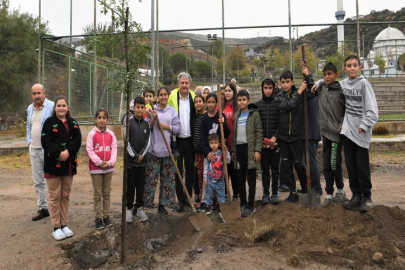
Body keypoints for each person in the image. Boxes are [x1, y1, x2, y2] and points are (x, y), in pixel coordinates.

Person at [340, 55, 378, 212]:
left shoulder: (364, 84)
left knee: (362, 166)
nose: (352, 68)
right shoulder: (343, 85)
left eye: (355, 65)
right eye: (349, 65)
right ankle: (356, 196)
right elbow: (328, 83)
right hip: (348, 132)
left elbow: (372, 110)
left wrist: (364, 125)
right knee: (351, 165)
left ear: (360, 67)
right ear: (345, 69)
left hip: (361, 132)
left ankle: (367, 197)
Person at [41, 96, 81, 241]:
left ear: (67, 107)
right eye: (59, 105)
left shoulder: (73, 123)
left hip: (69, 163)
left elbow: (77, 139)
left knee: (65, 195)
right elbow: (46, 141)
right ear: (55, 108)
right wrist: (59, 153)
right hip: (53, 164)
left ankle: (64, 224)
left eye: (64, 105)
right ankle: (56, 227)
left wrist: (68, 152)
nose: (61, 108)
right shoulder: (49, 123)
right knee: (54, 196)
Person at [310, 62, 347, 208]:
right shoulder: (321, 88)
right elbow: (310, 84)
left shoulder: (342, 90)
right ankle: (329, 193)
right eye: (324, 74)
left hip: (336, 134)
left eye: (329, 74)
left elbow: (348, 107)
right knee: (326, 164)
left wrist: (343, 121)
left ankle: (340, 190)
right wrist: (314, 78)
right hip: (324, 133)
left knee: (334, 163)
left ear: (336, 74)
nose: (326, 77)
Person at [277, 70, 314, 203]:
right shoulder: (279, 96)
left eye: (288, 82)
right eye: (283, 82)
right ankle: (292, 192)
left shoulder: (301, 93)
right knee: (287, 165)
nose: (285, 85)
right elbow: (289, 105)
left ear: (292, 82)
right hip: (284, 137)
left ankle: (305, 188)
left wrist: (307, 74)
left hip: (297, 136)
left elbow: (313, 89)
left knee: (299, 164)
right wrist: (300, 91)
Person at [145, 87, 181, 215]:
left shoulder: (172, 111)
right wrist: (154, 118)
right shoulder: (151, 111)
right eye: (161, 95)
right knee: (151, 179)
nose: (163, 97)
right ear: (157, 97)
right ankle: (147, 204)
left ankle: (162, 205)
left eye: (165, 94)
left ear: (168, 96)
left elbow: (178, 128)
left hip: (168, 151)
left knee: (167, 180)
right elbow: (147, 126)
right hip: (154, 151)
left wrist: (167, 127)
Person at [168, 72, 196, 212]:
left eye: (186, 83)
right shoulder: (172, 98)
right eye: (182, 83)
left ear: (189, 84)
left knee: (190, 171)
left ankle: (187, 197)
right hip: (177, 141)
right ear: (178, 84)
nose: (184, 85)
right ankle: (180, 200)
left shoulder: (194, 97)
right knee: (178, 172)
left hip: (191, 141)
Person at [232, 90, 263, 217]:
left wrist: (257, 150)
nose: (241, 102)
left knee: (251, 178)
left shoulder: (254, 115)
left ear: (248, 101)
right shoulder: (236, 116)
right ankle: (243, 202)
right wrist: (233, 150)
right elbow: (234, 136)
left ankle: (250, 204)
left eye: (244, 100)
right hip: (239, 150)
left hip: (250, 150)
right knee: (240, 178)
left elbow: (259, 133)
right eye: (239, 100)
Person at [26, 84, 54, 221]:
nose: (36, 96)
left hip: (48, 150)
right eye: (34, 93)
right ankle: (43, 208)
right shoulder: (30, 108)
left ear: (44, 92)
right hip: (34, 149)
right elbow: (28, 126)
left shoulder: (52, 106)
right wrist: (29, 141)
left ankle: (56, 207)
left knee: (53, 179)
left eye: (39, 93)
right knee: (38, 181)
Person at [86, 109, 117, 229]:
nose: (101, 120)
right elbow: (90, 150)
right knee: (98, 193)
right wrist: (99, 162)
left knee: (107, 193)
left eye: (104, 118)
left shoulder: (111, 134)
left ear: (107, 119)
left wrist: (109, 163)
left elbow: (114, 150)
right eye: (99, 117)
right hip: (96, 169)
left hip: (108, 168)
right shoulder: (91, 134)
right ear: (95, 119)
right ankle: (98, 218)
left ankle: (106, 216)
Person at [198, 92, 230, 211]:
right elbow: (202, 138)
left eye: (213, 102)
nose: (211, 104)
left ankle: (222, 201)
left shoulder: (221, 116)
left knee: (220, 176)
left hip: (219, 152)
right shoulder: (204, 119)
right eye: (209, 102)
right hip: (209, 153)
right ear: (206, 103)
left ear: (217, 104)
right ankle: (206, 202)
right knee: (208, 177)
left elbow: (226, 133)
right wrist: (207, 152)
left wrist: (223, 123)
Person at [256, 78, 281, 205]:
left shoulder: (278, 103)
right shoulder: (258, 104)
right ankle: (266, 193)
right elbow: (256, 125)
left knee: (275, 169)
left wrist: (275, 137)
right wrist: (260, 140)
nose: (268, 91)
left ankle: (275, 192)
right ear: (262, 89)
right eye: (265, 88)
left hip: (275, 144)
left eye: (270, 88)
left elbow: (281, 122)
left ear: (274, 88)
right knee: (264, 169)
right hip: (263, 145)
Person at [125, 97, 151, 222]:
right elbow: (127, 141)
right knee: (131, 186)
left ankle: (140, 208)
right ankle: (129, 209)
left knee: (141, 186)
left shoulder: (146, 124)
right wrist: (134, 156)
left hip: (142, 162)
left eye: (142, 107)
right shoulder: (129, 123)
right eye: (137, 107)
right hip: (131, 161)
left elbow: (148, 142)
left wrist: (141, 155)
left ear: (144, 108)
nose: (140, 110)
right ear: (133, 107)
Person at [299, 60, 322, 195]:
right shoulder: (306, 95)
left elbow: (311, 84)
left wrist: (307, 73)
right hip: (306, 131)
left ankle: (316, 187)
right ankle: (311, 186)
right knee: (307, 160)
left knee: (311, 159)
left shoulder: (312, 93)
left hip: (311, 132)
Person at [203, 134, 231, 215]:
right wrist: (205, 178)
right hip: (210, 179)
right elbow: (205, 166)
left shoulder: (222, 153)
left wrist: (226, 152)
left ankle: (222, 207)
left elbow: (228, 161)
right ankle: (208, 206)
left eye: (215, 142)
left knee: (221, 194)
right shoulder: (208, 155)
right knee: (209, 194)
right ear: (209, 144)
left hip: (220, 180)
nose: (214, 145)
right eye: (211, 143)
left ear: (219, 143)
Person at [222, 83, 239, 200]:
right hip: (223, 143)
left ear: (234, 92)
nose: (227, 93)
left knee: (234, 171)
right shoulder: (221, 107)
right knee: (224, 172)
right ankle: (224, 195)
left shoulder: (237, 107)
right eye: (226, 91)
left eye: (229, 90)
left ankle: (236, 195)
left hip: (235, 143)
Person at [192, 94, 206, 203]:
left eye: (200, 101)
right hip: (197, 152)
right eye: (196, 102)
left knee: (208, 176)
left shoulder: (207, 117)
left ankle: (209, 200)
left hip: (206, 152)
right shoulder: (195, 117)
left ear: (204, 103)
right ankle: (202, 198)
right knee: (200, 176)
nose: (198, 104)